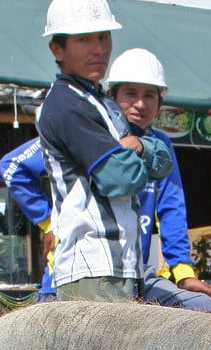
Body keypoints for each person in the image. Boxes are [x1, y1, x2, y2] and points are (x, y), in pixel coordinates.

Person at [0, 48, 211, 312]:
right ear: (112, 97)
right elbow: (11, 166)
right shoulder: (87, 131)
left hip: (134, 272)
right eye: (131, 93)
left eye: (150, 95)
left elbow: (172, 207)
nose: (140, 103)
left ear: (160, 105)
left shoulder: (159, 145)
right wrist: (48, 222)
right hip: (77, 274)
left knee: (206, 309)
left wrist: (183, 273)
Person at [36, 0, 173, 302]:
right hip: (92, 269)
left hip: (122, 265)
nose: (98, 49)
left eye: (103, 36)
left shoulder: (101, 102)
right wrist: (140, 156)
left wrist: (138, 146)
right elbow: (118, 178)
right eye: (84, 39)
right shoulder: (66, 105)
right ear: (57, 49)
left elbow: (163, 163)